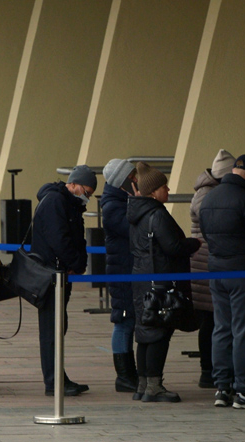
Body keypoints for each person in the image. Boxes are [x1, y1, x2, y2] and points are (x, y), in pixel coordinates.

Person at [200, 153, 245, 409]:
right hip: (244, 272)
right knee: (244, 331)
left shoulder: (209, 197)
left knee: (222, 329)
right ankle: (243, 391)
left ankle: (222, 388)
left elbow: (206, 235)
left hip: (217, 271)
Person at [130, 164, 200, 402]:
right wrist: (193, 244)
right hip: (159, 283)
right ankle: (154, 386)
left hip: (141, 281)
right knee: (159, 332)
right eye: (163, 186)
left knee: (144, 332)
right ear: (152, 192)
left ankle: (142, 385)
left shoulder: (136, 213)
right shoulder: (157, 214)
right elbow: (173, 247)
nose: (168, 189)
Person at [33, 164, 94, 397]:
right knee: (51, 329)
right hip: (52, 275)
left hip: (60, 274)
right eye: (85, 191)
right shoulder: (55, 202)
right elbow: (60, 240)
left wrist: (80, 262)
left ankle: (59, 376)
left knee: (59, 326)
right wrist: (76, 264)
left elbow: (77, 237)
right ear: (74, 184)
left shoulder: (69, 203)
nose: (86, 196)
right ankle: (53, 381)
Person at [190, 149, 236, 387]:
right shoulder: (206, 193)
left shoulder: (208, 190)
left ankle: (213, 369)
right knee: (210, 321)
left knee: (215, 320)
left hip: (207, 262)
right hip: (205, 263)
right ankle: (208, 370)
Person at [99, 158, 139, 393]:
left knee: (129, 319)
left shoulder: (121, 201)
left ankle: (130, 373)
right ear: (123, 181)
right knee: (123, 321)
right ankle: (124, 375)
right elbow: (132, 230)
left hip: (127, 269)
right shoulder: (114, 206)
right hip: (122, 271)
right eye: (132, 177)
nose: (136, 181)